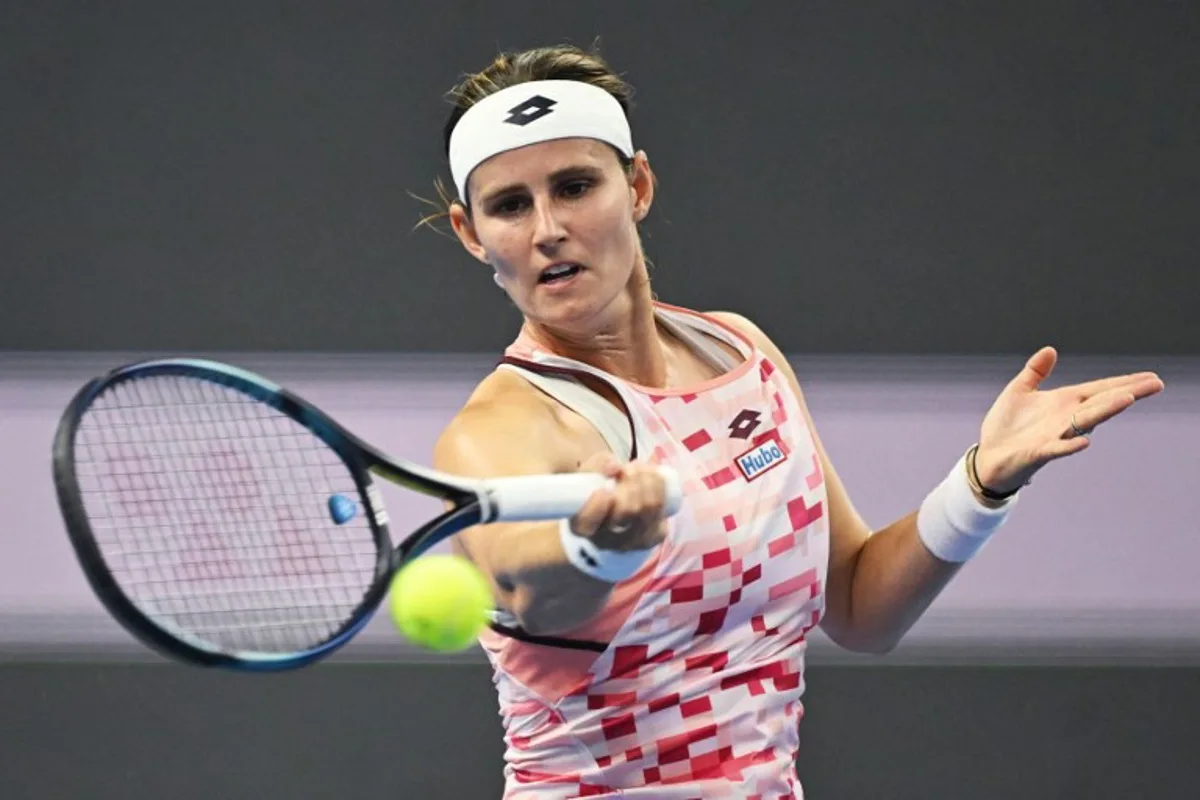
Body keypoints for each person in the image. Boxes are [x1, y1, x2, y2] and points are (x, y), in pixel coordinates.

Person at [423, 43, 1165, 799]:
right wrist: (595, 546)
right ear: (470, 232)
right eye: (510, 205)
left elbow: (856, 604)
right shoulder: (498, 428)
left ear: (637, 185)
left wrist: (980, 484)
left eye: (575, 186)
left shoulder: (741, 353)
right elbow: (520, 582)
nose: (547, 227)